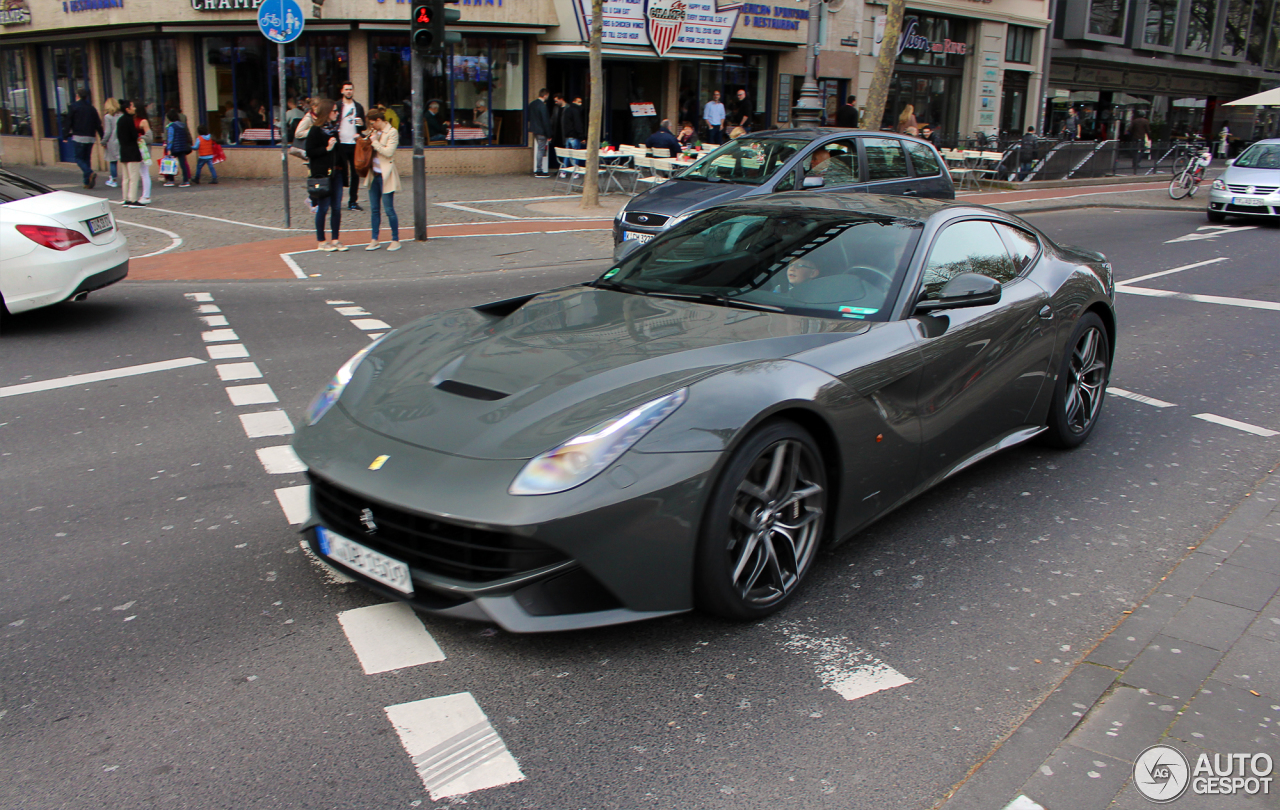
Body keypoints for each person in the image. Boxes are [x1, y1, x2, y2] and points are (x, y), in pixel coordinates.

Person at [306, 98, 346, 252]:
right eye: (334, 111)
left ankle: (335, 239)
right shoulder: (315, 130)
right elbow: (309, 152)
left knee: (337, 207)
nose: (337, 114)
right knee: (323, 207)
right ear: (327, 112)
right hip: (323, 174)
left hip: (337, 172)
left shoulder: (333, 129)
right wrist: (326, 148)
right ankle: (321, 241)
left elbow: (339, 151)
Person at [361, 108, 401, 252]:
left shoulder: (392, 132)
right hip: (374, 174)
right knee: (374, 210)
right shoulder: (373, 132)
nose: (372, 126)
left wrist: (375, 142)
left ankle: (395, 239)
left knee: (389, 209)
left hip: (386, 175)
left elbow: (388, 152)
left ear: (379, 120)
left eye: (373, 123)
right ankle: (374, 239)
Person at [337, 81, 366, 210]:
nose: (349, 91)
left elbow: (363, 127)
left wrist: (361, 124)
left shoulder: (358, 107)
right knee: (339, 172)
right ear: (342, 91)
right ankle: (337, 199)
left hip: (354, 143)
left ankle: (353, 201)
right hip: (340, 143)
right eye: (346, 89)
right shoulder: (337, 105)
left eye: (350, 89)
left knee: (355, 173)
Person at [65, 88, 102, 189]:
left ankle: (89, 172)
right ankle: (87, 182)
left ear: (77, 96)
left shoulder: (73, 107)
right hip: (90, 137)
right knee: (86, 159)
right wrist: (102, 137)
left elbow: (69, 122)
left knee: (78, 159)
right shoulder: (92, 108)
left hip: (78, 136)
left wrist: (65, 135)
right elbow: (98, 124)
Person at [117, 100, 144, 207]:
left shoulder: (120, 120)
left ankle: (126, 198)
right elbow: (133, 135)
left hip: (123, 151)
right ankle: (132, 199)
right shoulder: (129, 120)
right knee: (133, 177)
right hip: (132, 151)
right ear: (127, 109)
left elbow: (119, 136)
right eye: (132, 106)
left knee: (126, 177)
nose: (135, 108)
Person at [163, 109, 193, 187]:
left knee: (170, 163)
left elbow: (170, 138)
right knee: (183, 164)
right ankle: (186, 180)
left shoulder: (171, 126)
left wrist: (169, 148)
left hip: (174, 147)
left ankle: (171, 180)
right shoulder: (182, 125)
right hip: (182, 147)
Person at [527, 88, 552, 177]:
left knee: (539, 150)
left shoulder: (532, 104)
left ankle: (538, 169)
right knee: (541, 150)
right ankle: (539, 170)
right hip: (542, 131)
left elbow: (529, 117)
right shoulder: (542, 106)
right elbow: (546, 121)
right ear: (545, 95)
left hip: (534, 130)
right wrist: (549, 134)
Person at [135, 102, 153, 204]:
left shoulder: (143, 121)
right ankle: (144, 194)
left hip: (143, 149)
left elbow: (149, 137)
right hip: (135, 149)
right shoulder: (133, 120)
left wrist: (139, 138)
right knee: (141, 172)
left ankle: (146, 195)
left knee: (144, 172)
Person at [102, 98, 122, 188]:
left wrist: (103, 141)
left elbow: (108, 131)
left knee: (112, 161)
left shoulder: (107, 117)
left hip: (112, 141)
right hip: (121, 140)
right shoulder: (121, 115)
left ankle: (113, 179)